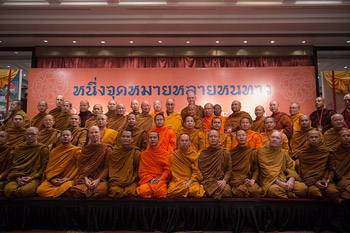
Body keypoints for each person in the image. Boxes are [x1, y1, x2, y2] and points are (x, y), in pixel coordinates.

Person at [257, 131, 307, 198]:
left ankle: (287, 192)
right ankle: (290, 195)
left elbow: (290, 167)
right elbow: (266, 170)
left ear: (281, 142)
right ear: (270, 139)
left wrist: (291, 180)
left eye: (277, 138)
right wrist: (280, 183)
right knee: (273, 190)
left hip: (284, 178)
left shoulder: (283, 152)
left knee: (303, 189)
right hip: (270, 181)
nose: (274, 139)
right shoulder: (262, 150)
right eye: (272, 137)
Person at [294, 130, 340, 202]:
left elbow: (331, 169)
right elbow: (304, 172)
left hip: (325, 179)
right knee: (315, 193)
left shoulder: (327, 152)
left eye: (316, 137)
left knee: (333, 192)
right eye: (311, 137)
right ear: (307, 139)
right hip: (311, 181)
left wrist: (326, 181)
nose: (314, 139)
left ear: (320, 139)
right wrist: (315, 182)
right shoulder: (302, 153)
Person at [4, 127, 50, 198]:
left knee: (25, 191)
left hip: (34, 178)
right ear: (25, 135)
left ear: (38, 135)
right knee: (9, 191)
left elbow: (44, 167)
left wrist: (32, 177)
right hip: (18, 177)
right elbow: (14, 165)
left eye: (32, 134)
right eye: (27, 134)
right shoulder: (19, 148)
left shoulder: (43, 149)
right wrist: (17, 177)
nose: (29, 136)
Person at [36, 130, 81, 197]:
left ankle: (59, 192)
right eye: (63, 135)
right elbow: (49, 168)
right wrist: (51, 179)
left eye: (67, 135)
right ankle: (60, 192)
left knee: (71, 188)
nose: (65, 137)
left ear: (71, 137)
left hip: (69, 179)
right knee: (40, 190)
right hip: (54, 179)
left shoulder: (76, 150)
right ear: (60, 138)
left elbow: (78, 167)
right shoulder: (54, 151)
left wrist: (68, 178)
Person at [70, 126, 112, 198]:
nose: (94, 134)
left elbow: (106, 167)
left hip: (100, 177)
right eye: (91, 133)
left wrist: (98, 180)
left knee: (100, 191)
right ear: (88, 135)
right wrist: (86, 179)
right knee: (78, 192)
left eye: (96, 132)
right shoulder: (85, 150)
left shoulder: (107, 149)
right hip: (86, 176)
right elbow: (82, 166)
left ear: (100, 134)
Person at [167, 133, 205, 198]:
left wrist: (189, 183)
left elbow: (196, 172)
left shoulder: (194, 155)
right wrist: (183, 183)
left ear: (190, 143)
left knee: (196, 191)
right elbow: (173, 172)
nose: (184, 142)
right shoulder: (173, 155)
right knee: (171, 191)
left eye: (186, 140)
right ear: (178, 142)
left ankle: (183, 191)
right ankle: (185, 190)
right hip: (177, 181)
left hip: (191, 181)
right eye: (182, 140)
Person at [198, 130, 232, 200]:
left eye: (215, 136)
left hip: (220, 181)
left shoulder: (225, 153)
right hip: (207, 182)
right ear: (207, 139)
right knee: (202, 190)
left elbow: (228, 170)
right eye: (211, 136)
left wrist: (224, 180)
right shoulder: (203, 154)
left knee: (227, 190)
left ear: (219, 139)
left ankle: (211, 193)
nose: (213, 138)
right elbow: (200, 170)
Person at [136, 131, 171, 198]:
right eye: (150, 137)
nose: (152, 139)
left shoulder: (165, 154)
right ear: (147, 140)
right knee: (143, 191)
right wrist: (150, 179)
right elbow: (141, 171)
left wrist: (161, 178)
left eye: (154, 137)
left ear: (158, 140)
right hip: (148, 180)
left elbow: (168, 169)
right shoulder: (144, 154)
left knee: (160, 193)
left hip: (160, 179)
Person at [108, 130, 141, 198]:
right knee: (114, 191)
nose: (125, 138)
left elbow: (138, 168)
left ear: (132, 139)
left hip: (130, 180)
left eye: (128, 137)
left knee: (131, 192)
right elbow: (112, 168)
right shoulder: (115, 151)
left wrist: (133, 179)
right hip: (116, 180)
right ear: (120, 138)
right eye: (123, 136)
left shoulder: (136, 152)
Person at [229, 130, 262, 198]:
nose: (241, 137)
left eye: (243, 135)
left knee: (255, 191)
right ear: (235, 138)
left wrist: (253, 179)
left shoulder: (252, 152)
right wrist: (242, 179)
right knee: (240, 191)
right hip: (236, 180)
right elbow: (228, 169)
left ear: (247, 138)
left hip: (249, 179)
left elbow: (256, 168)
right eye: (239, 135)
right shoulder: (231, 153)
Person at [333, 129, 350, 199]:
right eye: (343, 136)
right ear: (339, 138)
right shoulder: (335, 151)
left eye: (348, 136)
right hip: (339, 178)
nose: (346, 137)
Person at [0, 131, 14, 196]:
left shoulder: (10, 152)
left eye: (2, 136)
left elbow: (9, 168)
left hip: (3, 178)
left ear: (7, 139)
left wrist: (1, 176)